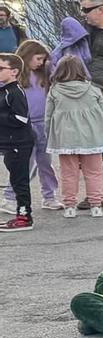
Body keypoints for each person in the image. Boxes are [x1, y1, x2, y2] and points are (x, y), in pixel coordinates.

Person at [45, 56, 103, 218]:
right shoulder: (94, 90)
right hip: (92, 139)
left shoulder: (54, 91)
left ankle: (69, 206)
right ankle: (96, 205)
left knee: (68, 174)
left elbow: (48, 117)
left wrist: (50, 135)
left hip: (65, 139)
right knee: (94, 172)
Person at [15, 38, 59, 209]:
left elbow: (57, 62)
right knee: (26, 163)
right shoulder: (16, 75)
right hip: (25, 124)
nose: (40, 63)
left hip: (44, 123)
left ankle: (49, 196)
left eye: (43, 59)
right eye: (38, 59)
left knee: (45, 162)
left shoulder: (45, 73)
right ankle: (12, 197)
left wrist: (48, 61)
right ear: (27, 56)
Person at [0, 53, 33, 231]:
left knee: (20, 181)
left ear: (14, 71)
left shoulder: (15, 92)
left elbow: (21, 119)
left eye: (1, 68)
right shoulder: (4, 90)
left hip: (19, 144)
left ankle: (24, 217)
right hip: (9, 144)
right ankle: (20, 214)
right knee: (15, 179)